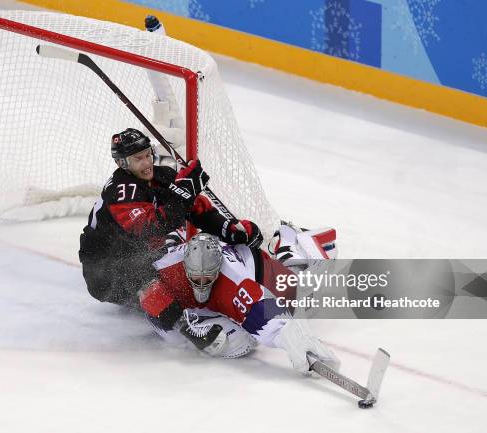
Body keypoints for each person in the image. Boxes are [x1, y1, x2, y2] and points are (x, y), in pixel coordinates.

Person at [79, 128, 263, 307]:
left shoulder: (162, 176)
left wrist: (229, 230)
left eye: (147, 154)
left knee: (200, 253)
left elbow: (197, 209)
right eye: (138, 159)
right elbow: (148, 228)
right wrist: (183, 195)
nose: (146, 162)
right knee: (160, 279)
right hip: (106, 273)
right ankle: (184, 326)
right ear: (122, 163)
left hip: (137, 257)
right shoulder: (121, 190)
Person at [139, 232, 340, 374]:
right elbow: (143, 288)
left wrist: (290, 335)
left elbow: (260, 307)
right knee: (200, 340)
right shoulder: (168, 270)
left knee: (302, 298)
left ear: (218, 269)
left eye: (208, 278)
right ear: (185, 267)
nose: (202, 284)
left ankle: (293, 243)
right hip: (205, 301)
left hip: (257, 267)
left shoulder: (232, 278)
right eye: (196, 278)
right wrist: (179, 322)